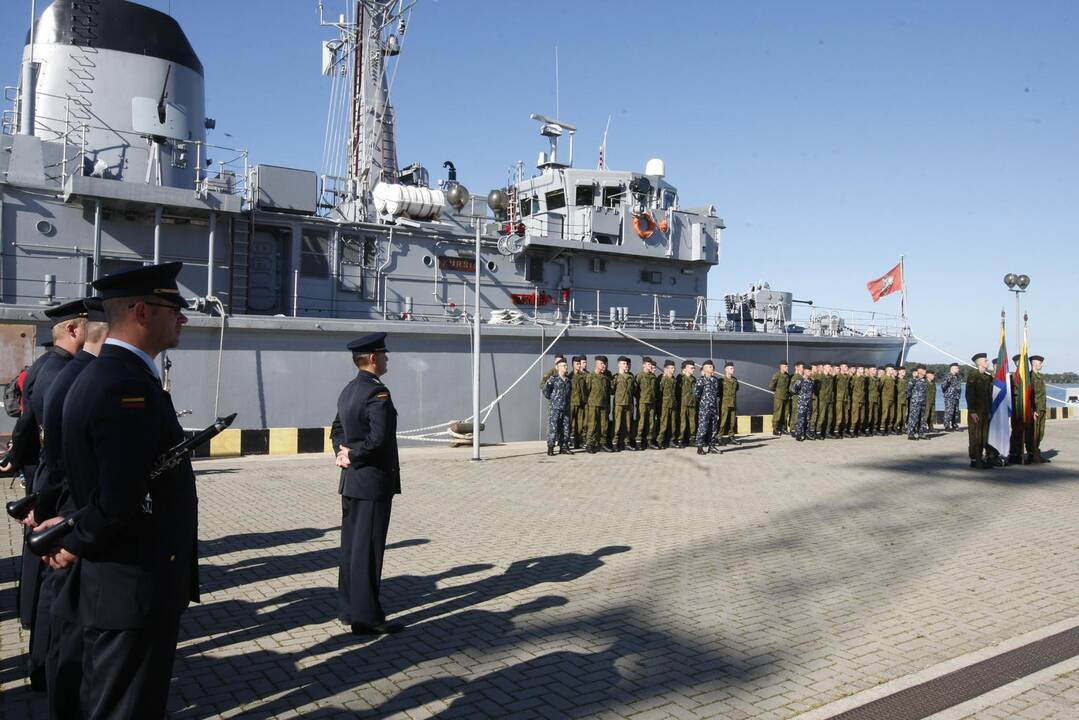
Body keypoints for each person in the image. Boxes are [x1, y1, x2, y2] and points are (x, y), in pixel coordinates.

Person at [42, 263, 196, 718]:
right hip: (131, 586)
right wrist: (74, 540)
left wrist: (70, 527)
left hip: (116, 585)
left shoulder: (103, 375)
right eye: (174, 309)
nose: (183, 318)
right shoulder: (125, 386)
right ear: (143, 312)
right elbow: (117, 496)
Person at [8, 299, 90, 690]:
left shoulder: (44, 366)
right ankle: (45, 667)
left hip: (43, 476)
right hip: (56, 482)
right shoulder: (65, 373)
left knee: (38, 579)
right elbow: (55, 438)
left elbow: (25, 421)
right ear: (74, 330)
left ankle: (40, 659)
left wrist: (15, 459)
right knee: (53, 585)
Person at [34, 298, 109, 719]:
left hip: (59, 504)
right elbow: (61, 454)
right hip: (71, 510)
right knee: (63, 613)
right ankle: (49, 676)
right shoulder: (73, 377)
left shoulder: (59, 372)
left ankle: (47, 676)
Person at [330, 332, 403, 636]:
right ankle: (367, 618)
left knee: (352, 549)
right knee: (368, 551)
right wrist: (356, 455)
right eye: (384, 354)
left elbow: (336, 429)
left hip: (351, 482)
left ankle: (349, 609)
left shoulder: (349, 390)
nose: (387, 358)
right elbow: (379, 438)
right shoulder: (377, 393)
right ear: (373, 359)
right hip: (372, 482)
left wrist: (343, 455)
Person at [966, 353, 993, 469]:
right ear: (979, 362)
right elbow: (969, 394)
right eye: (985, 360)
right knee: (975, 436)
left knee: (983, 436)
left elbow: (990, 396)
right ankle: (974, 458)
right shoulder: (973, 376)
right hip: (976, 412)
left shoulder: (988, 377)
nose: (987, 362)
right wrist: (972, 411)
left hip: (985, 412)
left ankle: (980, 457)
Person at [542, 358, 572, 455]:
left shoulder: (568, 381)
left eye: (566, 365)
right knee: (553, 428)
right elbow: (545, 391)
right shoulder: (553, 379)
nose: (565, 367)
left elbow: (569, 393)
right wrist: (553, 399)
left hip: (565, 408)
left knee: (565, 428)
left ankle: (563, 447)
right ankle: (550, 447)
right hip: (555, 408)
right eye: (563, 366)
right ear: (557, 367)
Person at [585, 356, 613, 453]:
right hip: (593, 404)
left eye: (605, 364)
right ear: (596, 363)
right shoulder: (590, 376)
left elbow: (609, 391)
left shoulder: (607, 376)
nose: (604, 365)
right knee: (592, 425)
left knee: (604, 425)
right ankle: (589, 444)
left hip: (604, 404)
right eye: (602, 363)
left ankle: (602, 443)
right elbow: (586, 391)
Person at [694, 360, 722, 454]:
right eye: (710, 366)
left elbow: (717, 394)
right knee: (703, 427)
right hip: (704, 408)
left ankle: (712, 446)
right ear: (705, 369)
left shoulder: (715, 380)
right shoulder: (701, 381)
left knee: (714, 428)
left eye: (712, 366)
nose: (712, 368)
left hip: (714, 408)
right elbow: (697, 394)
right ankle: (700, 446)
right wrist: (704, 403)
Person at [611, 357, 637, 451]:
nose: (625, 365)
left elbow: (634, 389)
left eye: (626, 363)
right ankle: (615, 442)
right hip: (618, 404)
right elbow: (612, 391)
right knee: (617, 425)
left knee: (628, 425)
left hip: (628, 404)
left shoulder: (631, 376)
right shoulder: (615, 377)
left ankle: (626, 443)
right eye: (623, 363)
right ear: (619, 364)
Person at [635, 357, 660, 449]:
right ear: (644, 365)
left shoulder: (653, 377)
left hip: (652, 402)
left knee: (651, 422)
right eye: (648, 364)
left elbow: (656, 390)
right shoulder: (640, 376)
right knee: (641, 422)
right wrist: (640, 399)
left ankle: (649, 441)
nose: (650, 366)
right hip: (642, 402)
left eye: (651, 364)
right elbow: (635, 390)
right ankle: (638, 441)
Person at [1029, 355, 1048, 463]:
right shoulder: (1030, 377)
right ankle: (1033, 453)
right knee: (1034, 433)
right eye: (1040, 363)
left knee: (1040, 432)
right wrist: (1032, 410)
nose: (1042, 365)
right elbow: (1029, 396)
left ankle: (1036, 452)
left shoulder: (1040, 377)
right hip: (1035, 409)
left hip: (1042, 408)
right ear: (1034, 363)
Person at [716, 361, 740, 445]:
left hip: (733, 403)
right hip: (724, 404)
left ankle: (731, 437)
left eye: (733, 368)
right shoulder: (721, 380)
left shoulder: (735, 380)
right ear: (726, 369)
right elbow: (718, 392)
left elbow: (736, 389)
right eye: (731, 368)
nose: (733, 370)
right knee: (722, 422)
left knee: (732, 422)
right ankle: (719, 437)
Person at [675, 360, 697, 448]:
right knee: (682, 422)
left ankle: (691, 439)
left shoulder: (693, 379)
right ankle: (680, 439)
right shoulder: (680, 378)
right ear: (685, 368)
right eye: (691, 368)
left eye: (694, 368)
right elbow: (676, 392)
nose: (693, 369)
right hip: (682, 404)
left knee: (692, 423)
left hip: (692, 403)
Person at [657, 360, 678, 448]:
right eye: (671, 368)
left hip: (672, 404)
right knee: (664, 423)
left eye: (674, 368)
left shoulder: (673, 379)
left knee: (673, 424)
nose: (673, 369)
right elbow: (659, 392)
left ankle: (671, 440)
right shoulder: (663, 379)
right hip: (665, 405)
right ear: (666, 369)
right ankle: (660, 441)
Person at [791, 368, 816, 441]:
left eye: (811, 371)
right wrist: (800, 396)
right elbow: (793, 389)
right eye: (809, 371)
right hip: (802, 403)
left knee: (808, 419)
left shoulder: (811, 381)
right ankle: (798, 435)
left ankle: (806, 434)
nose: (810, 372)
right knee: (801, 419)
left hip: (809, 403)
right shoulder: (800, 380)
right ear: (804, 371)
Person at [905, 365, 928, 440]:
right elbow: (908, 390)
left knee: (922, 418)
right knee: (913, 418)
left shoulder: (925, 380)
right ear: (919, 371)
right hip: (916, 402)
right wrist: (913, 398)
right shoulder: (913, 379)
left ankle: (921, 433)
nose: (925, 371)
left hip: (923, 402)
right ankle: (910, 434)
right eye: (924, 369)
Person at [570, 355, 589, 448]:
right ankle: (567, 441)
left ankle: (579, 442)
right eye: (577, 364)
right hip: (572, 403)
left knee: (580, 423)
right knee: (570, 423)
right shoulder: (569, 376)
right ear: (572, 365)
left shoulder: (583, 376)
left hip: (581, 403)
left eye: (579, 363)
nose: (579, 365)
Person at [768, 361, 791, 435]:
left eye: (787, 366)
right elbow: (771, 386)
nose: (787, 368)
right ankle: (775, 429)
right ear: (781, 366)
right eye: (785, 366)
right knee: (778, 413)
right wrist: (778, 391)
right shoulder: (777, 375)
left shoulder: (787, 376)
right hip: (779, 397)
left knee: (785, 413)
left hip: (786, 397)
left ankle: (783, 428)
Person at [814, 363, 835, 439]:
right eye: (828, 367)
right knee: (821, 416)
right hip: (822, 399)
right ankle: (818, 432)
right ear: (824, 368)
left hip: (830, 399)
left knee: (830, 417)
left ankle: (827, 432)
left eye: (830, 367)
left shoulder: (831, 377)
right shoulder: (820, 377)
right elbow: (816, 389)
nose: (830, 368)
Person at [941, 363, 963, 431]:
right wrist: (947, 393)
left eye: (958, 368)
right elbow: (943, 386)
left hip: (956, 396)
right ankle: (947, 426)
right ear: (952, 369)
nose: (958, 369)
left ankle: (954, 424)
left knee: (956, 412)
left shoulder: (958, 377)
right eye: (956, 368)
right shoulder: (948, 376)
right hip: (949, 397)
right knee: (949, 411)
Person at [834, 363, 851, 437]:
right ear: (840, 367)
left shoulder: (847, 377)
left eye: (847, 366)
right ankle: (836, 430)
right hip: (839, 398)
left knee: (846, 416)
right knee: (839, 415)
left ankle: (843, 431)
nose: (846, 368)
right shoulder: (837, 376)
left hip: (845, 398)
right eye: (844, 366)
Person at [787, 361, 804, 433]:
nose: (803, 369)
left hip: (801, 398)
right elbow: (791, 389)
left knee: (800, 413)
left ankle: (798, 428)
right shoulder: (795, 377)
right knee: (795, 413)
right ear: (797, 367)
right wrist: (797, 392)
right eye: (801, 367)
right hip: (796, 397)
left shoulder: (802, 377)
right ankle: (793, 429)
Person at [850, 366, 867, 436]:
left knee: (862, 416)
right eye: (860, 369)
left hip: (862, 399)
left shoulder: (863, 379)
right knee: (855, 416)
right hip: (855, 399)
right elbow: (850, 388)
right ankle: (852, 430)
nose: (862, 370)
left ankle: (858, 430)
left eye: (863, 369)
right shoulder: (853, 378)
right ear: (857, 370)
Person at [880, 365, 897, 434]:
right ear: (886, 370)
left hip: (892, 398)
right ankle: (882, 428)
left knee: (891, 414)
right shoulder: (883, 377)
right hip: (885, 398)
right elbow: (880, 387)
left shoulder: (893, 378)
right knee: (885, 413)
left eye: (892, 370)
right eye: (890, 369)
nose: (891, 371)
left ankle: (889, 427)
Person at [866, 366, 881, 436]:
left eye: (876, 370)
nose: (875, 371)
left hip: (875, 399)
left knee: (875, 415)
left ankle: (873, 429)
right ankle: (866, 428)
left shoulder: (877, 379)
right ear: (869, 371)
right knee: (869, 415)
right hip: (869, 399)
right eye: (874, 369)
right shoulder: (867, 379)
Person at [895, 367, 909, 433]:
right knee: (898, 415)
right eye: (903, 371)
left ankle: (902, 427)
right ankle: (895, 427)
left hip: (904, 399)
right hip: (898, 399)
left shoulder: (906, 380)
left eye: (905, 371)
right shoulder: (896, 380)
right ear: (899, 372)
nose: (904, 372)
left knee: (904, 415)